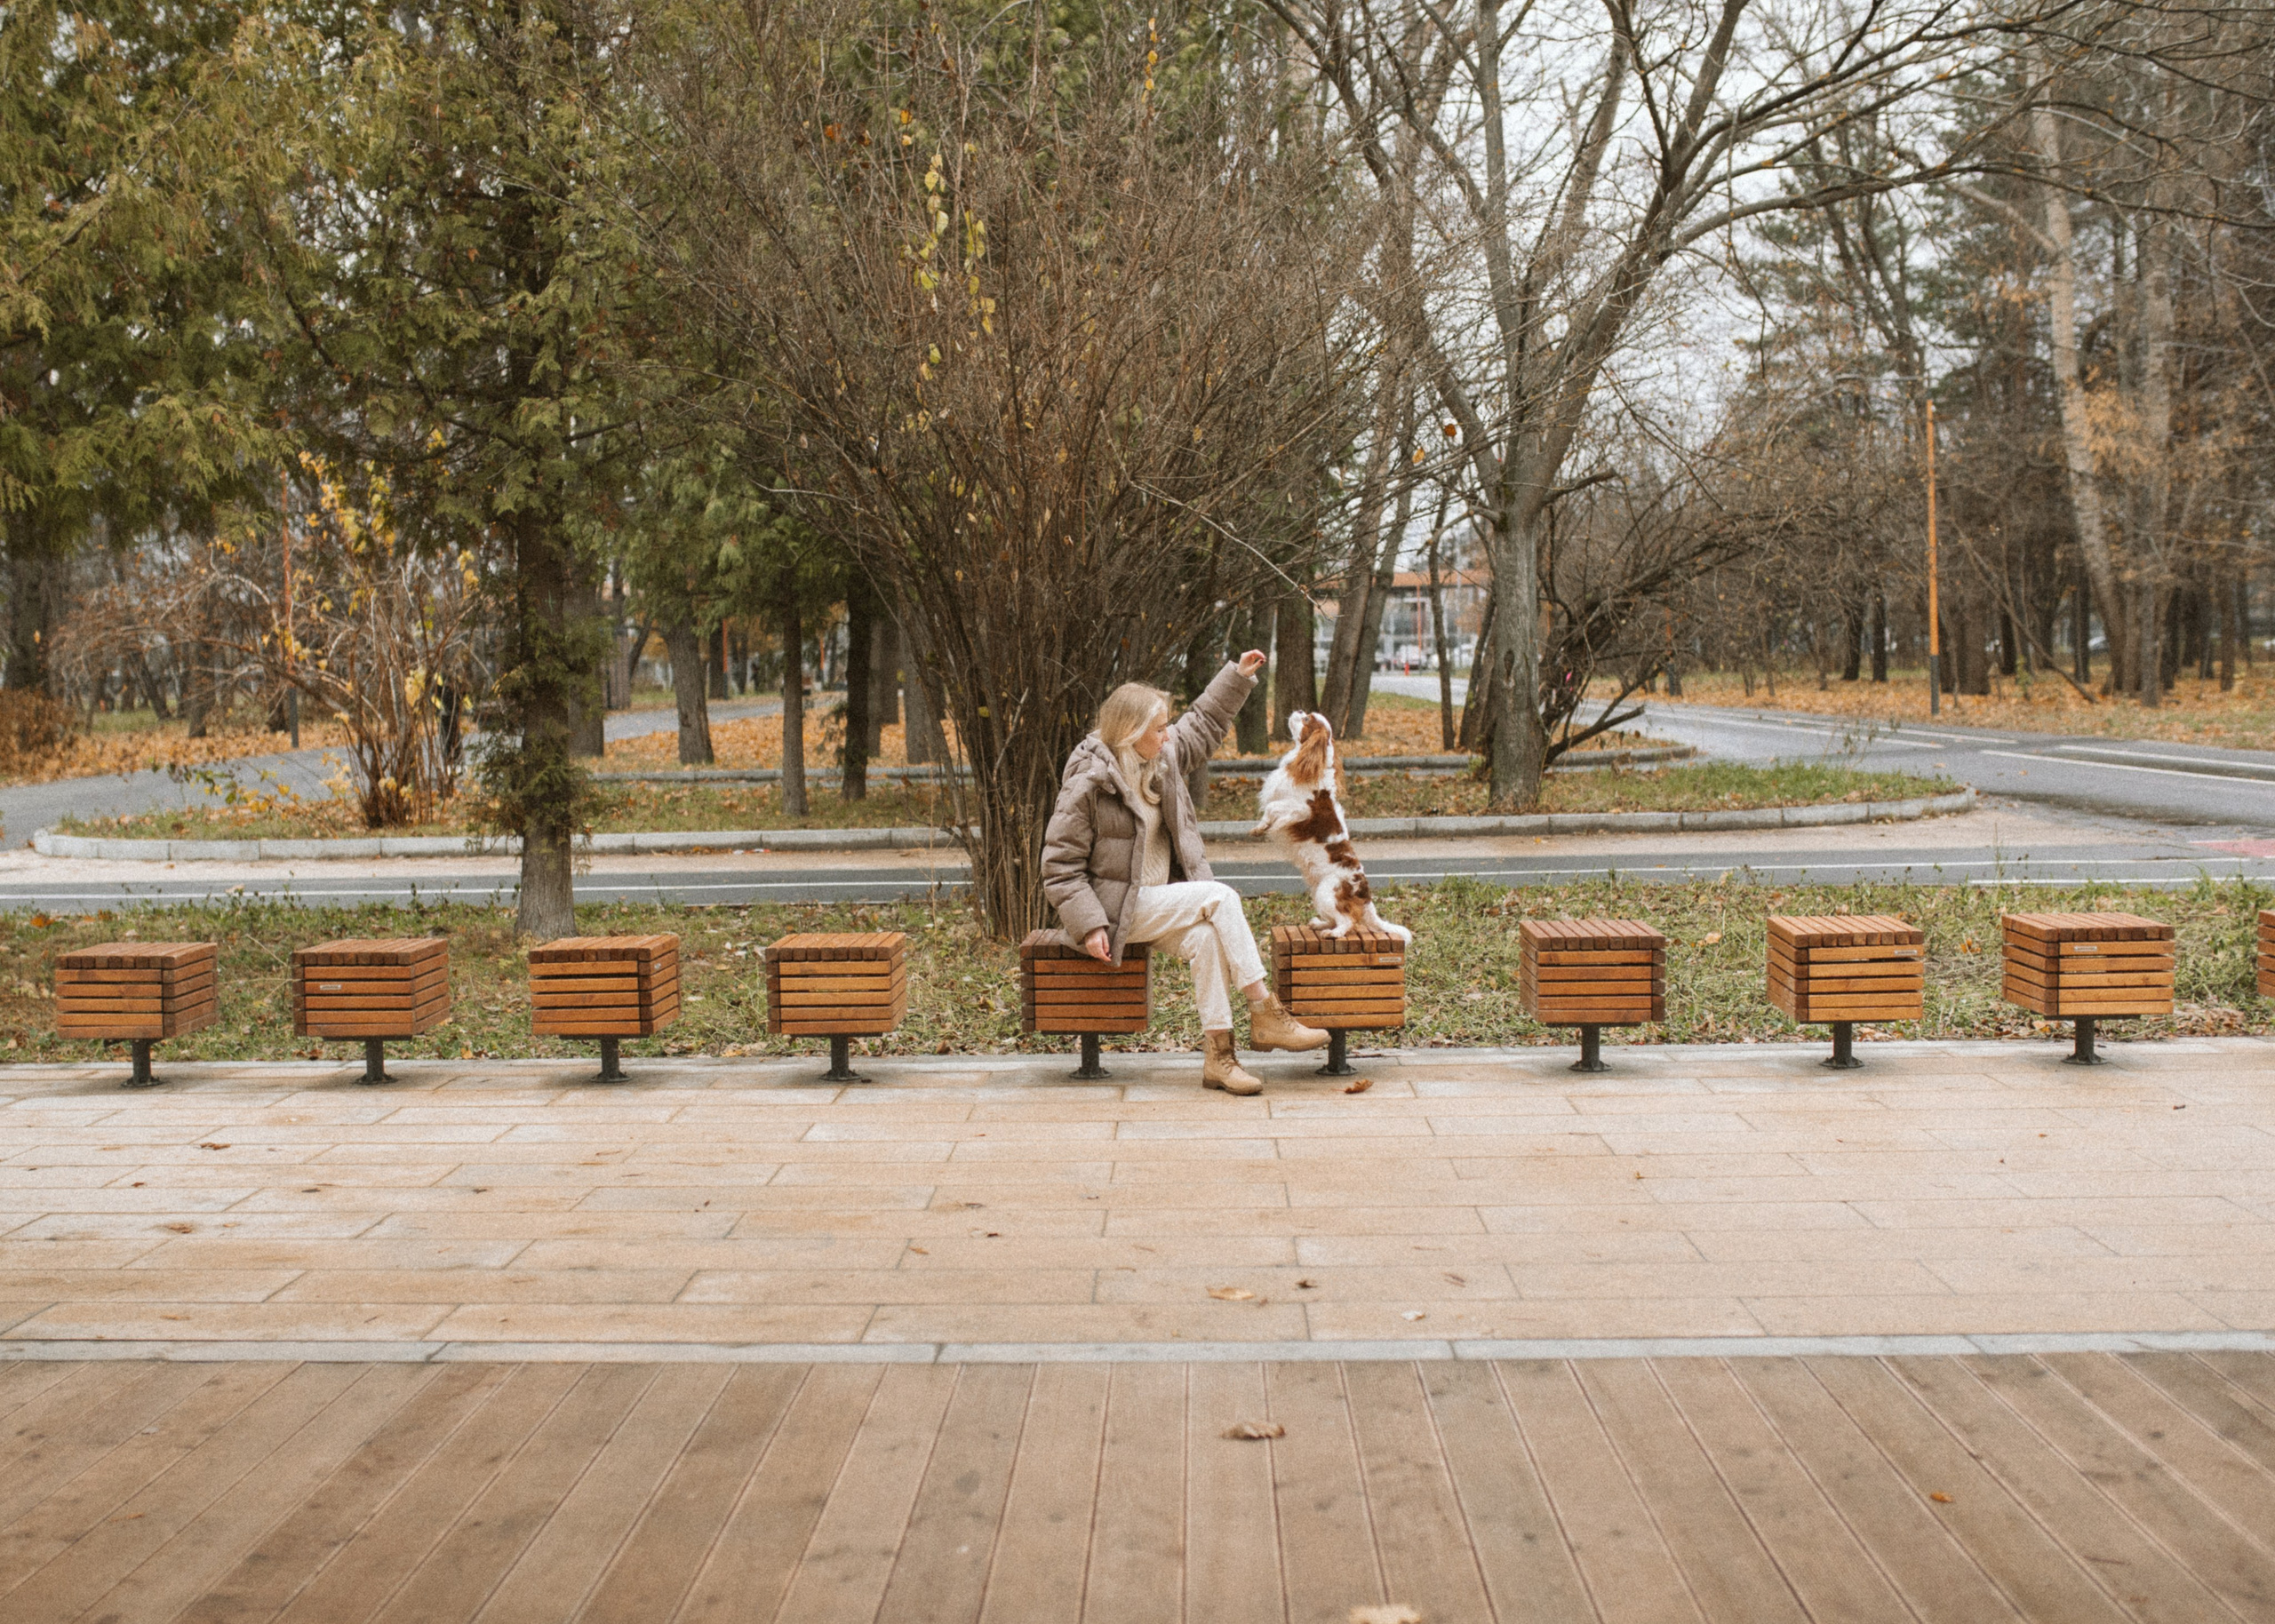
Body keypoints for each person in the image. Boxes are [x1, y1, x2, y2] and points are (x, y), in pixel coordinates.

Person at [1042, 650, 1329, 1095]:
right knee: (1221, 897)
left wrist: (1236, 677)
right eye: (1158, 729)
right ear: (1133, 732)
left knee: (1208, 939)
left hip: (1158, 902)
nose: (1167, 735)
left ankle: (1220, 1057)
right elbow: (1060, 867)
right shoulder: (1089, 782)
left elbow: (1202, 723)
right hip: (1116, 910)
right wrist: (1090, 923)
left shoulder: (1162, 757)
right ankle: (1265, 1011)